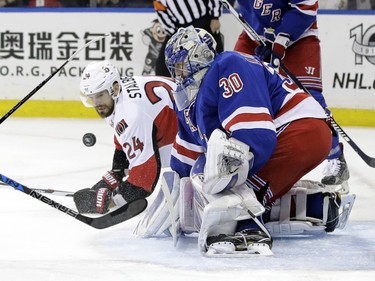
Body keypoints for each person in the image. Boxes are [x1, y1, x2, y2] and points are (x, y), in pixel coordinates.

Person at [134, 27, 349, 257]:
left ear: (199, 56)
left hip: (301, 129)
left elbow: (255, 138)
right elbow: (184, 163)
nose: (178, 74)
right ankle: (315, 206)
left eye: (181, 65)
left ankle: (247, 227)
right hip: (295, 136)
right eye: (174, 68)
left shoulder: (227, 65)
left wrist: (227, 187)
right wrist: (171, 199)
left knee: (220, 166)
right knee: (208, 175)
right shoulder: (188, 101)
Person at [231, 0, 350, 192]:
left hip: (299, 38)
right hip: (256, 36)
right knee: (236, 85)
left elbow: (307, 5)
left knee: (310, 99)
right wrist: (265, 38)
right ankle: (235, 157)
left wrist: (280, 41)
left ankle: (336, 157)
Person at [73, 60, 178, 214]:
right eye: (91, 97)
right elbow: (123, 139)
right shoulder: (119, 96)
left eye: (100, 95)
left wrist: (111, 201)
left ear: (114, 88)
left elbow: (144, 181)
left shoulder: (131, 114)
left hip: (198, 137)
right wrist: (116, 173)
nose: (96, 103)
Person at [153, 0, 224, 77]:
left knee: (214, 59)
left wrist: (215, 16)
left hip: (204, 22)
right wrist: (174, 33)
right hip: (180, 29)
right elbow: (160, 10)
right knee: (162, 68)